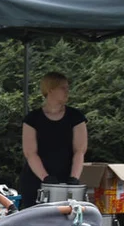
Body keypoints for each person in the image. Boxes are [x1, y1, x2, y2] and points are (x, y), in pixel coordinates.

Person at [19, 72, 88, 208]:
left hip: (67, 180)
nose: (67, 92)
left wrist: (74, 178)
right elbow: (30, 153)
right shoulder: (32, 119)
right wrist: (46, 178)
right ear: (50, 90)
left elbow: (80, 151)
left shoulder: (76, 117)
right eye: (63, 88)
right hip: (36, 181)